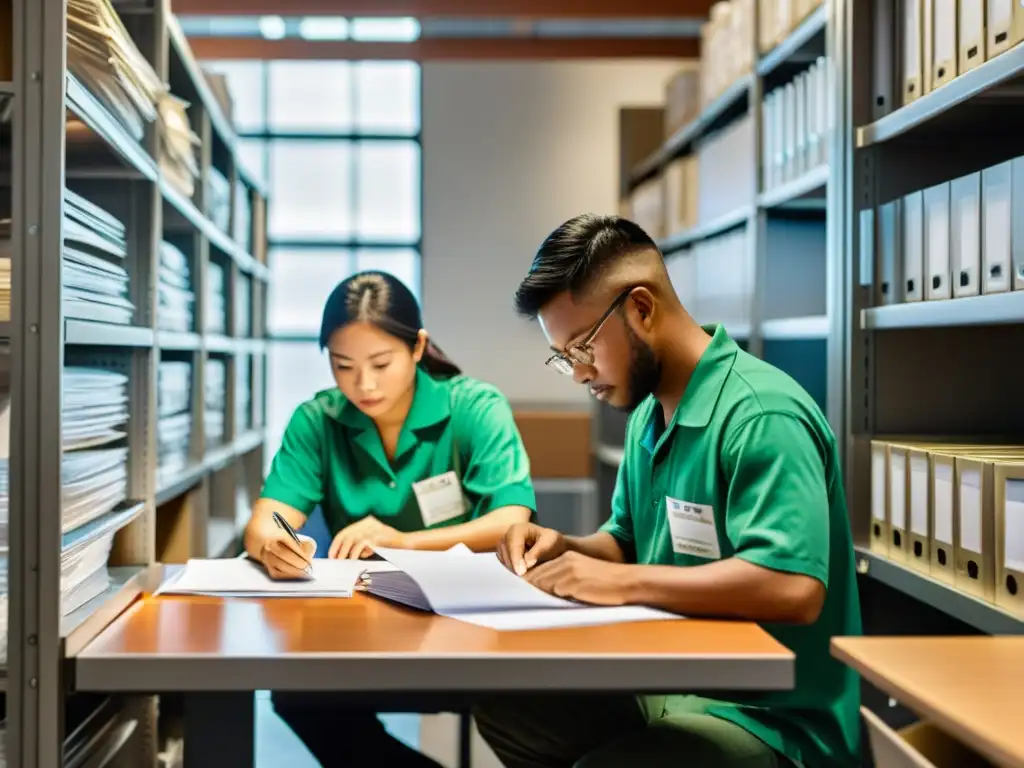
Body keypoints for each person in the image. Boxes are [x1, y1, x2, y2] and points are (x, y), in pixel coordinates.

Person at [475, 214, 861, 768]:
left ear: (641, 307)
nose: (580, 374)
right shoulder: (648, 415)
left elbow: (793, 588)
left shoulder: (761, 413)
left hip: (772, 721)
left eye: (582, 348)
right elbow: (628, 541)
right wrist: (565, 548)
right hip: (668, 688)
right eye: (565, 358)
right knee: (510, 710)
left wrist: (618, 581)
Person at [245, 270, 536, 767]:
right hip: (364, 625)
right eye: (343, 366)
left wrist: (404, 540)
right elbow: (267, 518)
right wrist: (274, 543)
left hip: (468, 623)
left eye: (381, 363)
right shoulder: (318, 420)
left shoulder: (473, 407)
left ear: (418, 347)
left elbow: (512, 521)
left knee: (537, 707)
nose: (364, 384)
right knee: (296, 696)